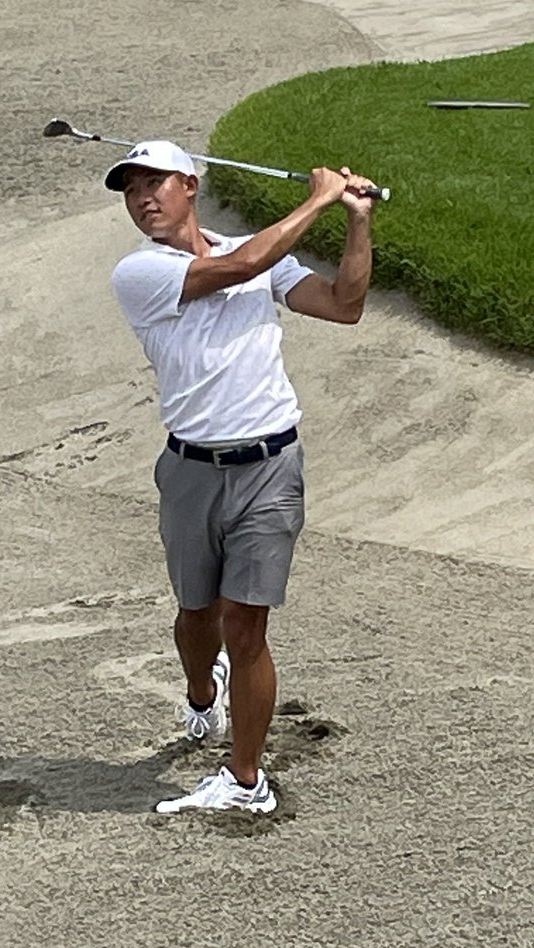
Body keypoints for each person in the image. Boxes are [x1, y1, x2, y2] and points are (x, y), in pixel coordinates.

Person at [106, 139, 379, 814]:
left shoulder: (256, 254)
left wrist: (356, 221)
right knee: (195, 614)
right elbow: (241, 265)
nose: (142, 200)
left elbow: (344, 304)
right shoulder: (140, 273)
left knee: (245, 624)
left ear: (190, 185)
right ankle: (203, 693)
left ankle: (246, 779)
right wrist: (318, 196)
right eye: (131, 190)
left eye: (155, 184)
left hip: (270, 466)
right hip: (191, 469)